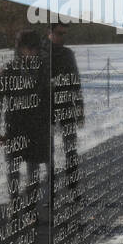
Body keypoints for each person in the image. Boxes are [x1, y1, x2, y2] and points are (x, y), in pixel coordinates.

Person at [0, 30, 51, 214]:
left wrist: (50, 123)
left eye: (34, 48)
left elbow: (48, 98)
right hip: (14, 127)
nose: (30, 51)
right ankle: (14, 204)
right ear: (19, 48)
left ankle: (31, 207)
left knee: (33, 168)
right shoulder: (8, 70)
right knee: (13, 168)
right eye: (26, 48)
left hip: (37, 127)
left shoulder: (43, 70)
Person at [41, 21, 85, 199]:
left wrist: (79, 109)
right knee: (47, 151)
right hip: (47, 108)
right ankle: (50, 192)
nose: (61, 38)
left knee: (71, 148)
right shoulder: (41, 53)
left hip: (66, 105)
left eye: (64, 34)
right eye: (59, 33)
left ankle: (73, 188)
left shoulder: (67, 54)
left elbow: (75, 82)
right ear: (49, 32)